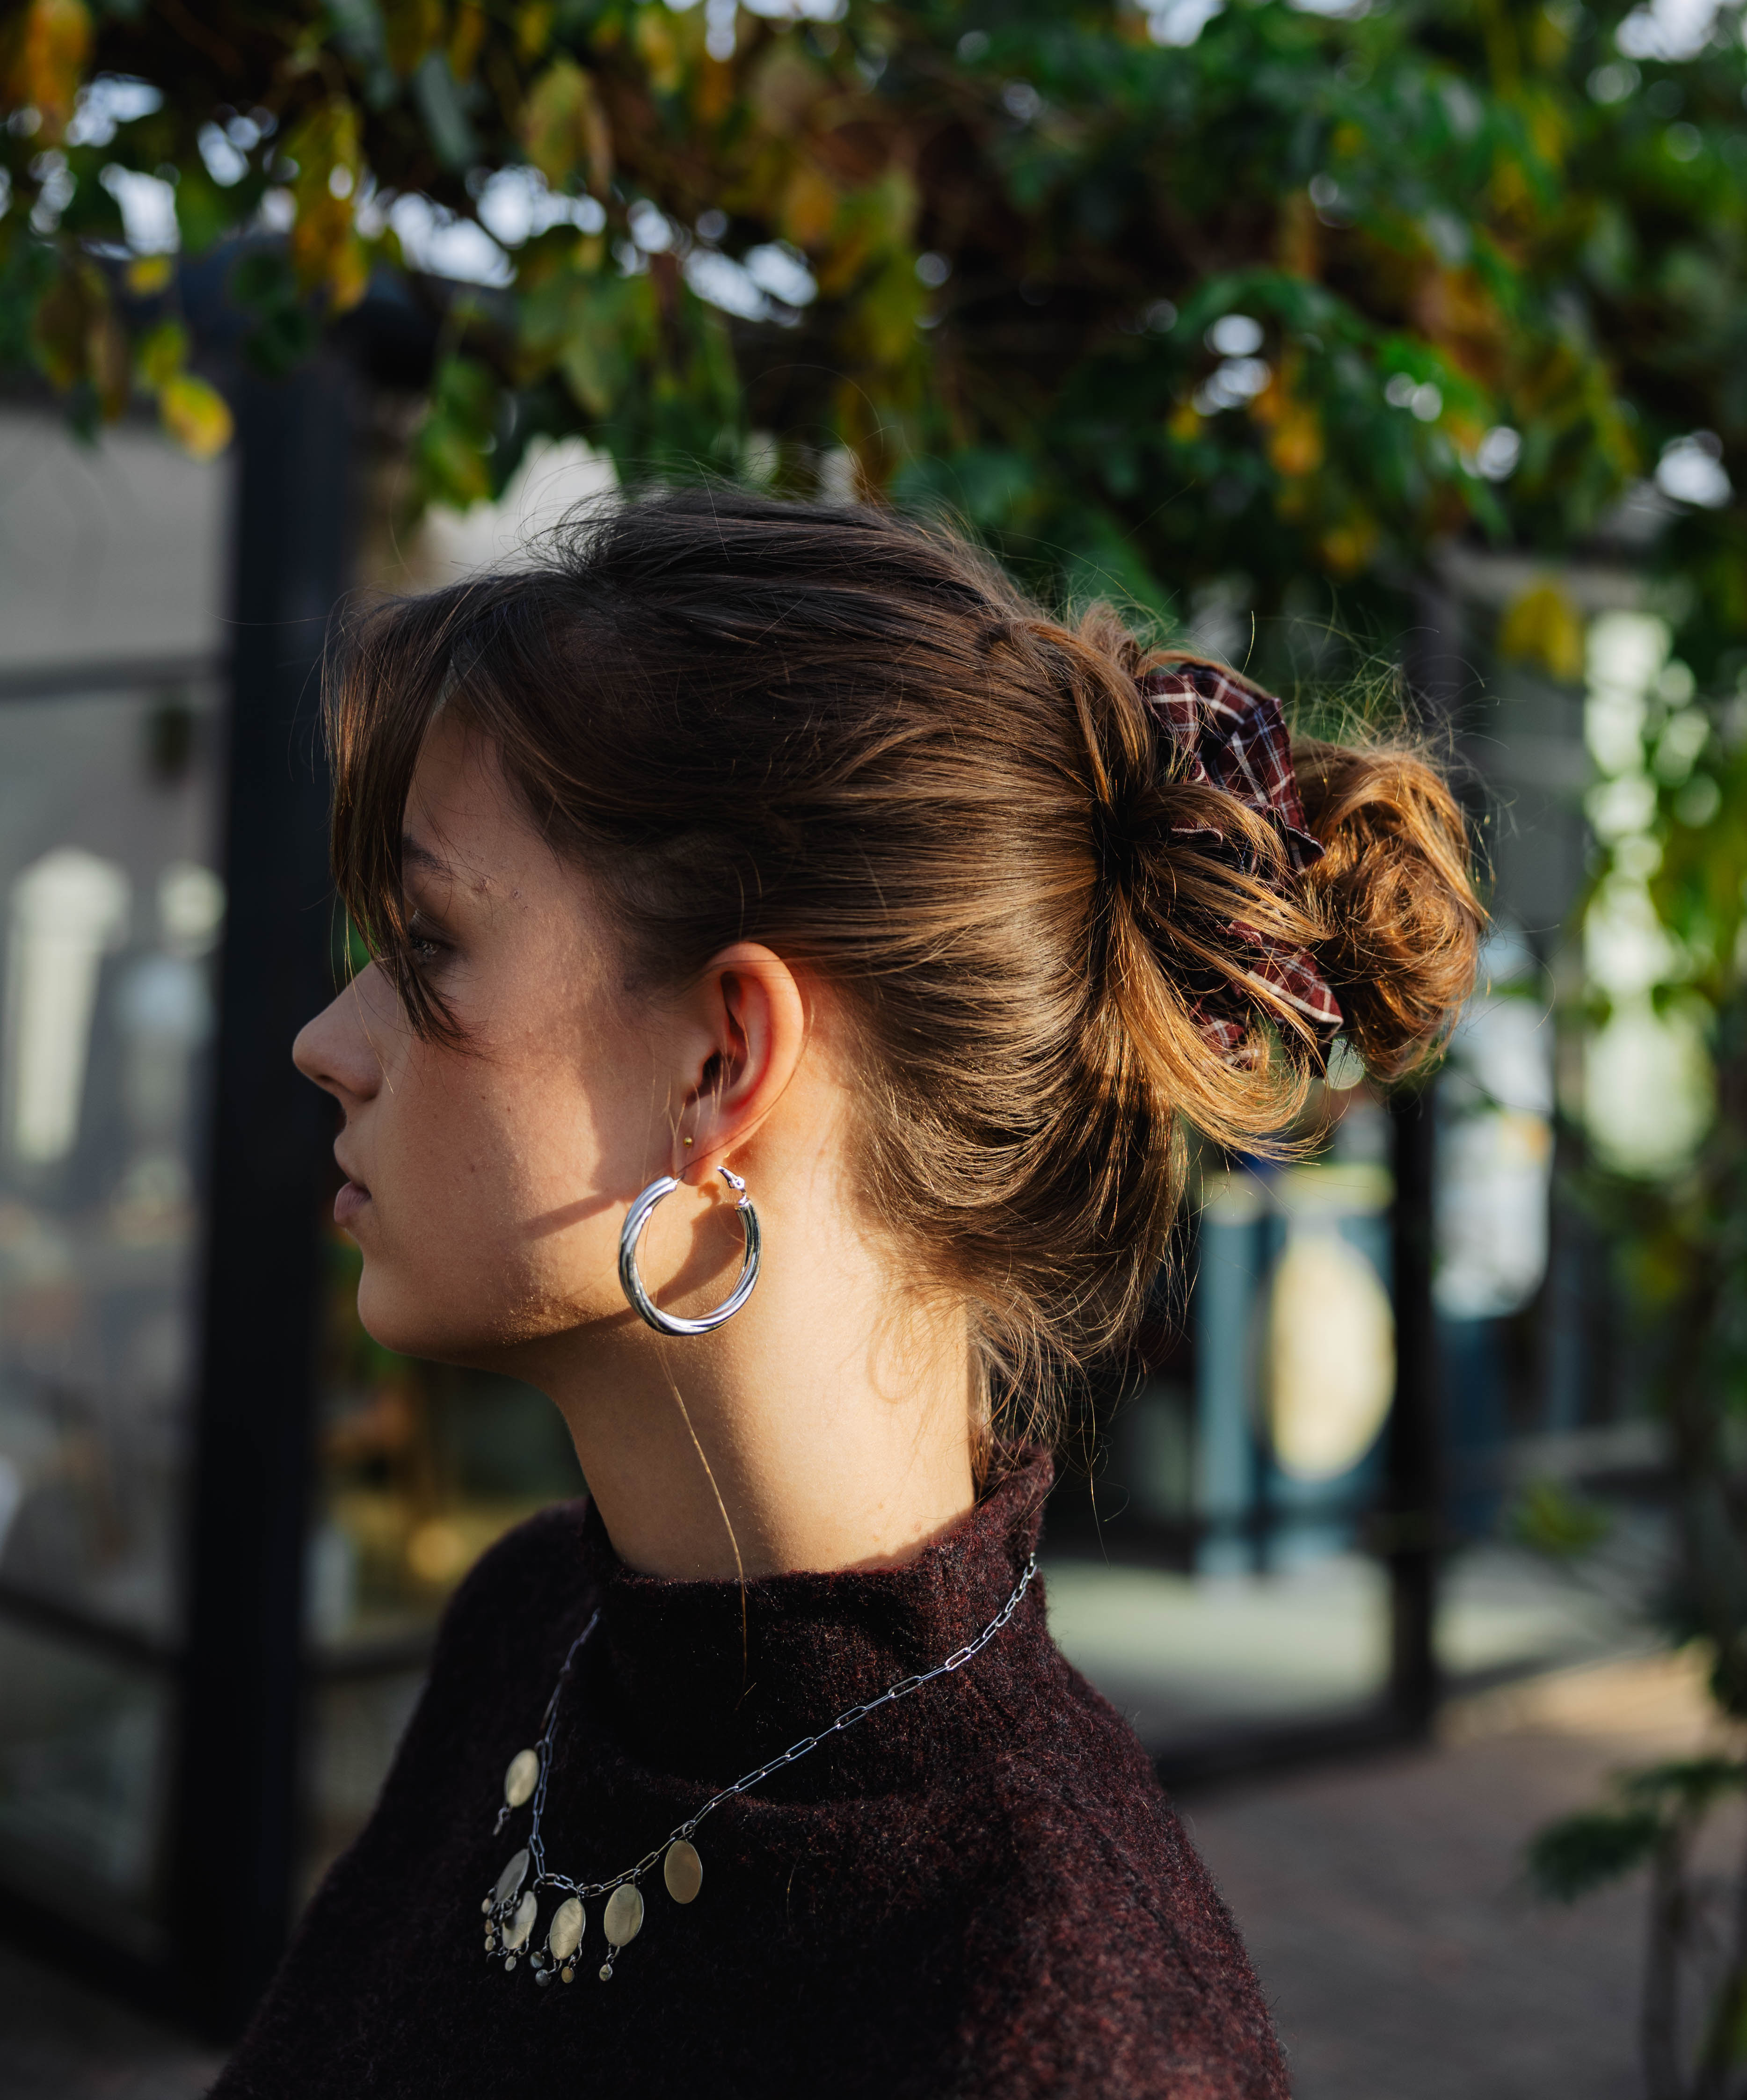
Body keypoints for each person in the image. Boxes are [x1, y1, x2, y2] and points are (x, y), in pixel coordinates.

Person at [215, 491, 1481, 2099]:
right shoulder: (536, 1630)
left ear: (722, 1062)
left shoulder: (1057, 2024)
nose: (330, 1040)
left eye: (426, 941)